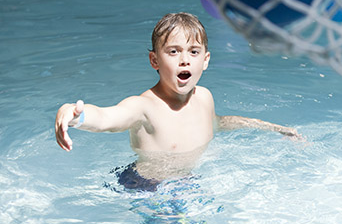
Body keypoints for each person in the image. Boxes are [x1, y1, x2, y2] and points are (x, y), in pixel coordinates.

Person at [55, 12, 300, 190]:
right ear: (154, 61)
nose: (184, 60)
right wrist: (76, 115)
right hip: (148, 187)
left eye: (193, 51)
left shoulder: (204, 97)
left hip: (185, 183)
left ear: (205, 60)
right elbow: (109, 118)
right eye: (173, 51)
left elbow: (218, 123)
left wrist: (273, 128)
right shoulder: (144, 107)